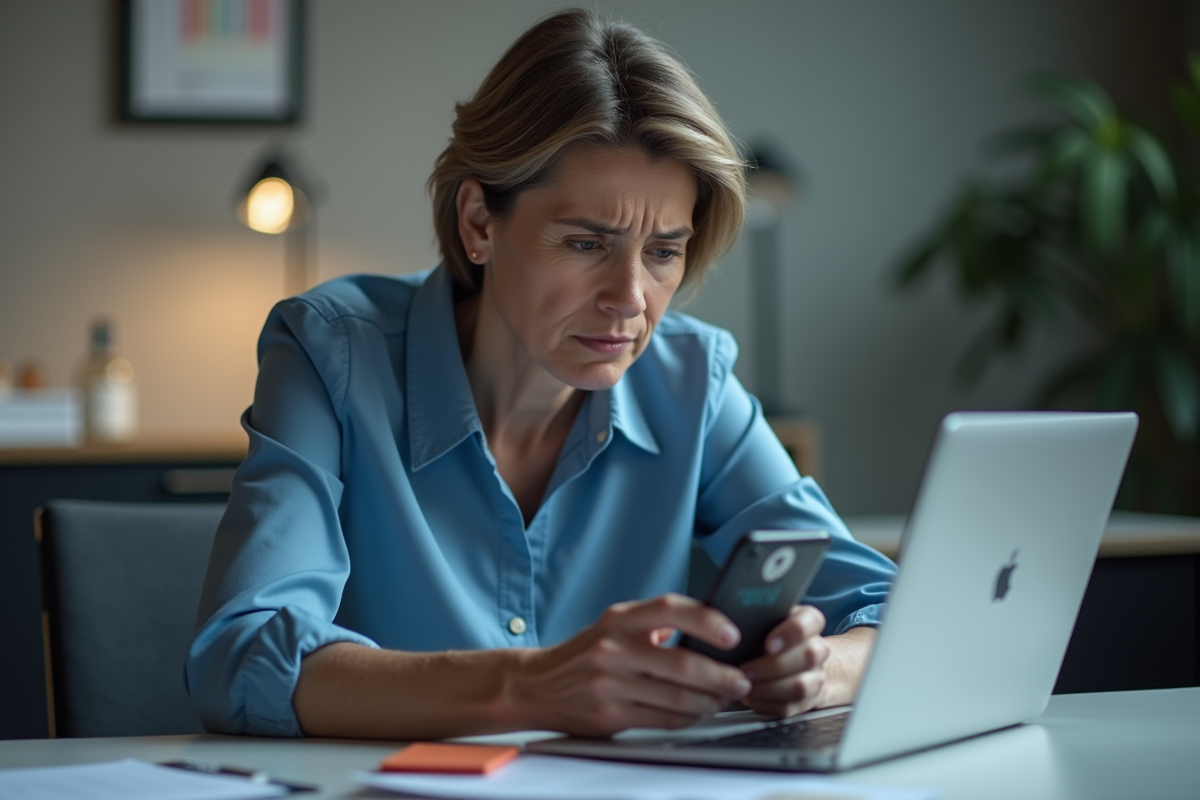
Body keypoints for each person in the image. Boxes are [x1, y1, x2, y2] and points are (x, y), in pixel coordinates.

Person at [185, 8, 896, 740]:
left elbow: (890, 604)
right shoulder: (330, 354)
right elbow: (241, 658)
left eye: (663, 252)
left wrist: (821, 669)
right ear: (479, 224)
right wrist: (536, 686)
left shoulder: (694, 381)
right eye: (586, 243)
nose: (630, 299)